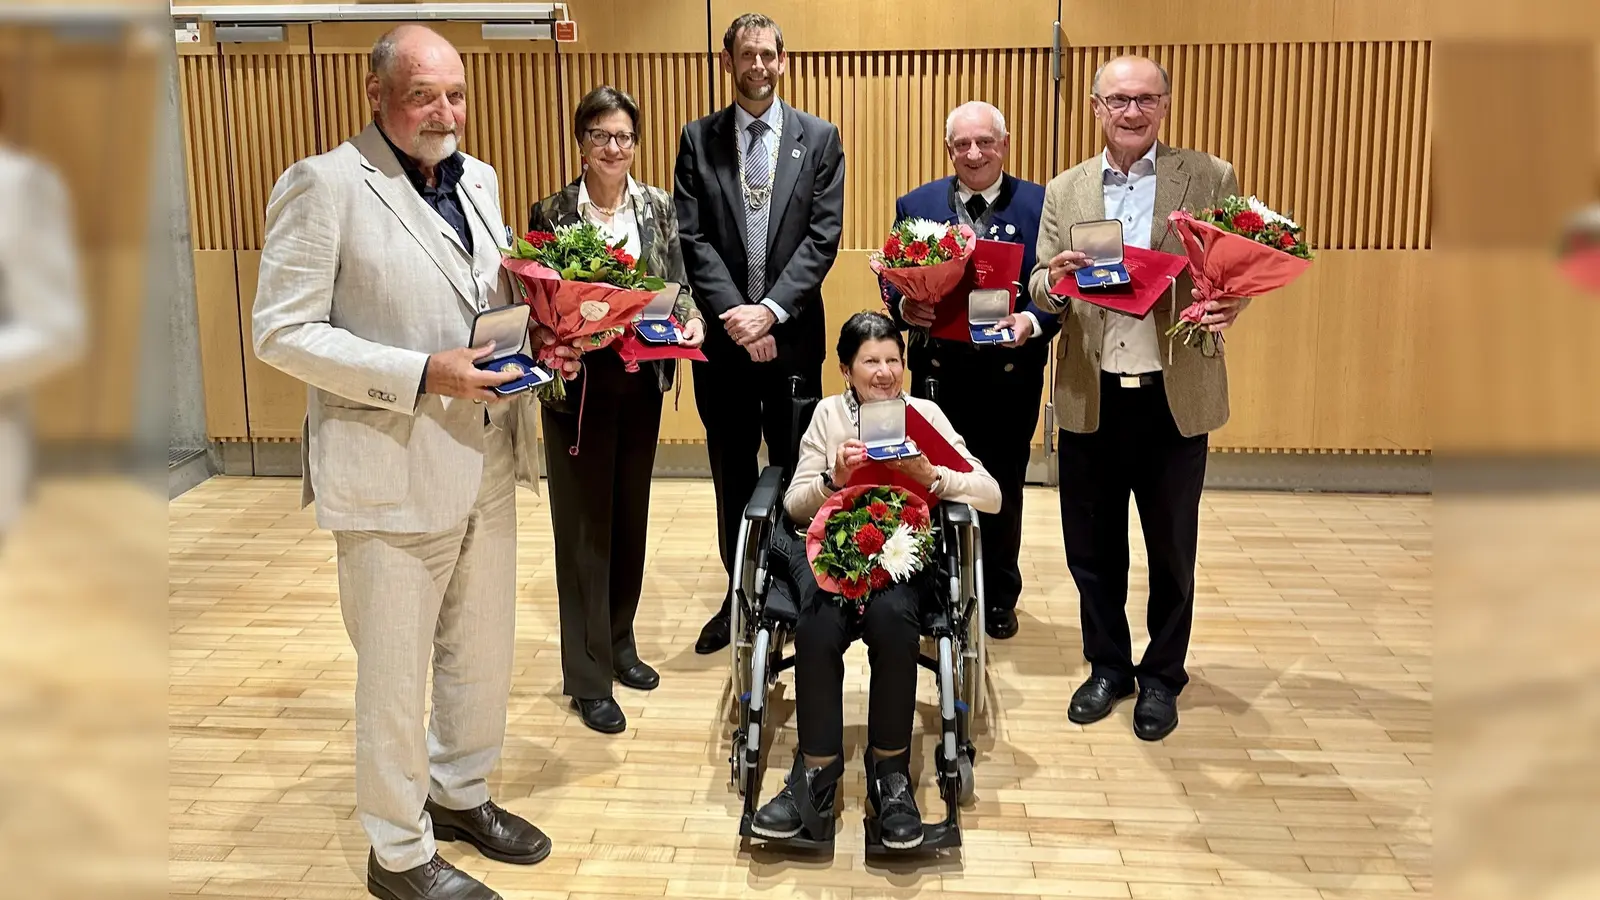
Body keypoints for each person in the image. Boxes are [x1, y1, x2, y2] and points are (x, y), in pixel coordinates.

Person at [252, 25, 572, 900]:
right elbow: (280, 331)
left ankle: (460, 791)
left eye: (455, 94)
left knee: (480, 650)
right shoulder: (324, 185)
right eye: (424, 94)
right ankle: (397, 853)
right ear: (377, 93)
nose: (444, 112)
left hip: (490, 458)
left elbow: (490, 302)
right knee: (394, 675)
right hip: (389, 473)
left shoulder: (480, 179)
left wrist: (550, 338)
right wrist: (422, 373)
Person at [1026, 55, 1249, 742]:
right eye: (1119, 99)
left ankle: (1162, 678)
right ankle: (1108, 666)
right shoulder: (1065, 189)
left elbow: (1236, 269)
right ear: (1096, 106)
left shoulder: (1210, 176)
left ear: (1166, 104)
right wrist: (1051, 281)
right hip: (1090, 391)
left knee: (1171, 546)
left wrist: (1231, 304)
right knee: (1091, 549)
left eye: (1146, 99)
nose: (1132, 111)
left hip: (1172, 395)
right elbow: (1037, 284)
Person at [749, 311, 1000, 848]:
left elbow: (991, 492)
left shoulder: (924, 414)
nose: (884, 372)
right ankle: (815, 775)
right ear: (846, 369)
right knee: (818, 620)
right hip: (830, 545)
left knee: (893, 619)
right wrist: (832, 479)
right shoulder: (826, 417)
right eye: (870, 362)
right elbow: (792, 507)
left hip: (900, 547)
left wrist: (931, 476)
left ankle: (891, 776)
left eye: (893, 360)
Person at [527, 86, 706, 735]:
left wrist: (693, 326)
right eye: (600, 135)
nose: (612, 147)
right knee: (582, 529)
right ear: (581, 142)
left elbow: (679, 287)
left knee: (630, 517)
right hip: (576, 389)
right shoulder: (551, 211)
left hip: (640, 382)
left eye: (623, 136)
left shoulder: (657, 207)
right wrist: (550, 339)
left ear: (636, 144)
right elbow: (538, 306)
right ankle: (587, 675)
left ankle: (621, 641)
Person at [674, 12, 846, 655]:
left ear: (783, 58)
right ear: (728, 61)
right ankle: (739, 593)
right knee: (731, 473)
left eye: (767, 55)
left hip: (794, 340)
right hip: (722, 346)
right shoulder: (697, 139)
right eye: (746, 55)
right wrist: (738, 319)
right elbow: (692, 239)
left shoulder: (820, 139)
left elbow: (821, 239)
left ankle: (800, 592)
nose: (758, 66)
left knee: (800, 470)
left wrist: (769, 311)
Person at [888, 100, 1058, 641]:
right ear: (949, 149)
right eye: (962, 144)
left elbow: (1057, 288)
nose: (974, 153)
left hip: (1011, 372)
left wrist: (1031, 322)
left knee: (1002, 480)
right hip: (940, 371)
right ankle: (934, 585)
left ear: (1004, 144)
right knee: (930, 478)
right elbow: (894, 278)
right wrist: (903, 307)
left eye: (985, 142)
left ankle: (999, 593)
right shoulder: (916, 203)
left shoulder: (1039, 203)